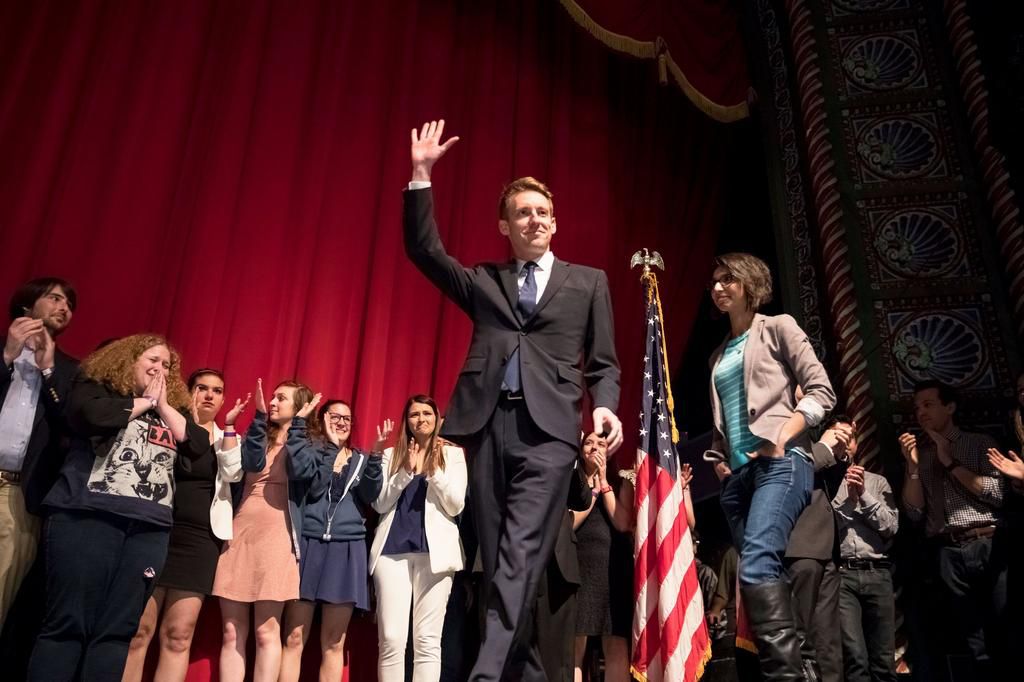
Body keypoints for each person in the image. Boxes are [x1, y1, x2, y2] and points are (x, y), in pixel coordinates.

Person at [403, 119, 622, 680]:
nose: (534, 220)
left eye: (542, 212)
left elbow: (603, 363)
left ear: (555, 223)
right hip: (485, 427)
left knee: (521, 551)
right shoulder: (485, 280)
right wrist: (421, 176)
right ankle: (523, 673)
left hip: (550, 435)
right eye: (522, 212)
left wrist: (605, 404)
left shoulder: (588, 282)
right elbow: (425, 252)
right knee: (501, 558)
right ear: (505, 225)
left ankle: (485, 671)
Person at [27, 334, 207, 681]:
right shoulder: (97, 386)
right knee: (68, 624)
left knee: (117, 631)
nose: (160, 369)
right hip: (87, 516)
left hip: (148, 528)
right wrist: (142, 403)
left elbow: (197, 446)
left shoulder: (173, 411)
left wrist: (164, 406)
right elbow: (89, 414)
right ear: (128, 360)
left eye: (167, 365)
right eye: (152, 360)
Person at [702, 252, 835, 681]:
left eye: (729, 279)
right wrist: (721, 461)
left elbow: (821, 391)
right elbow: (726, 421)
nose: (719, 287)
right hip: (738, 479)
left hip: (781, 464)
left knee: (757, 562)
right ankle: (796, 668)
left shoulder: (778, 327)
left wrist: (782, 435)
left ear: (750, 285)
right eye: (716, 281)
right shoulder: (717, 355)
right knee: (761, 572)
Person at [122, 369, 249, 682]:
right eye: (202, 388)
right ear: (189, 390)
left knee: (179, 634)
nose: (209, 395)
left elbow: (234, 474)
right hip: (153, 530)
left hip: (200, 542)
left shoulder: (228, 439)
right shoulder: (163, 422)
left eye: (217, 390)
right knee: (138, 631)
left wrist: (230, 429)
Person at [211, 379, 321, 682]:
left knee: (266, 630)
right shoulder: (258, 436)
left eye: (281, 398)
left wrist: (297, 427)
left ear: (299, 407)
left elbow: (302, 471)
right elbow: (249, 463)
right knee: (232, 630)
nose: (272, 402)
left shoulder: (310, 444)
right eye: (272, 397)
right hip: (242, 531)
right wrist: (258, 419)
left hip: (278, 535)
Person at [900, 380, 1009, 679]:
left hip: (988, 541)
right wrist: (911, 467)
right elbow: (913, 512)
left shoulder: (978, 443)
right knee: (971, 636)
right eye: (917, 407)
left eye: (928, 404)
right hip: (948, 551)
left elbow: (996, 493)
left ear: (950, 407)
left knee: (1006, 624)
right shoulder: (920, 455)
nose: (921, 412)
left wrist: (949, 461)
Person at [279, 400, 387, 682]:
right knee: (294, 636)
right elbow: (314, 490)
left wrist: (375, 457)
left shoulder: (361, 459)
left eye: (347, 419)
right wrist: (331, 447)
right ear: (323, 418)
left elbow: (371, 496)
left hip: (347, 550)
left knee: (334, 642)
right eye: (335, 416)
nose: (341, 422)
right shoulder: (313, 452)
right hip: (310, 545)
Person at [371, 394, 467, 682]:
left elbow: (455, 504)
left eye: (427, 413)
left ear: (437, 419)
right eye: (414, 414)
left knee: (427, 640)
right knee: (391, 638)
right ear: (407, 420)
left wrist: (431, 471)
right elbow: (379, 504)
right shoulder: (391, 455)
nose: (421, 419)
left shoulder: (452, 455)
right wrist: (405, 472)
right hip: (391, 553)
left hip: (435, 554)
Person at [0, 277, 78, 628]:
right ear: (28, 305)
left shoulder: (70, 371)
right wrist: (6, 357)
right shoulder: (1, 351)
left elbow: (70, 429)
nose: (65, 308)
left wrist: (47, 372)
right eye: (56, 298)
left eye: (69, 305)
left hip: (19, 495)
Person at [828, 415, 898, 682]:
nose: (845, 442)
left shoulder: (877, 481)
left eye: (849, 436)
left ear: (856, 444)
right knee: (855, 659)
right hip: (843, 576)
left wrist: (863, 495)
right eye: (838, 435)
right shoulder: (824, 482)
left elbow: (891, 527)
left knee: (883, 660)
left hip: (878, 573)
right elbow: (828, 527)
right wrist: (848, 500)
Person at [783, 419, 852, 682]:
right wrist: (824, 447)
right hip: (798, 544)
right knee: (801, 637)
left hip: (826, 547)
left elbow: (826, 490)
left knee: (829, 641)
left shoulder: (811, 429)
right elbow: (786, 470)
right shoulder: (779, 420)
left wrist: (839, 454)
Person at [573, 432, 636, 682]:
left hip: (614, 568)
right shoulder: (571, 480)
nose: (594, 448)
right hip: (579, 565)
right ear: (580, 449)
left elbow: (621, 522)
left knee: (617, 642)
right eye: (589, 443)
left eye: (601, 443)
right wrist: (593, 492)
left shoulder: (623, 480)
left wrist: (603, 481)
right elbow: (570, 523)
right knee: (575, 642)